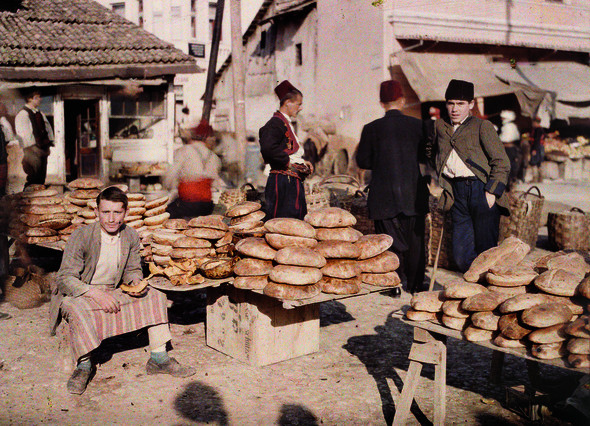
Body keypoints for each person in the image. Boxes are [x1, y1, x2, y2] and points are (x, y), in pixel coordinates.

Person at [51, 186, 195, 395]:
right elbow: (65, 278)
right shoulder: (81, 235)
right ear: (96, 212)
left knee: (155, 296)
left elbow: (132, 269)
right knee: (75, 309)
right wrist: (94, 293)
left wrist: (135, 281)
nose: (111, 218)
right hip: (82, 292)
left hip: (113, 290)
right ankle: (84, 364)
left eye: (117, 212)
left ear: (125, 213)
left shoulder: (130, 235)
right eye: (106, 212)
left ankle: (159, 358)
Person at [425, 79, 510, 273]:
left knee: (486, 252)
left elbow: (501, 162)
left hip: (481, 189)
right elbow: (430, 151)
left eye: (461, 104)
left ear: (471, 105)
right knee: (461, 255)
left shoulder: (482, 126)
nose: (455, 109)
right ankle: (473, 289)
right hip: (456, 193)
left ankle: (486, 297)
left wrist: (491, 193)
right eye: (451, 103)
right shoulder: (439, 126)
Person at [356, 80, 429, 294]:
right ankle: (415, 285)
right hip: (413, 193)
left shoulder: (371, 128)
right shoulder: (418, 126)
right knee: (415, 242)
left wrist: (382, 161)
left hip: (383, 193)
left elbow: (362, 161)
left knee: (388, 241)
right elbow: (426, 156)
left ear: (381, 103)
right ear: (402, 100)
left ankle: (393, 284)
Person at [259, 80, 312, 220]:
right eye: (298, 104)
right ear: (287, 102)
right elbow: (268, 148)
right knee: (283, 222)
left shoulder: (285, 122)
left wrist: (303, 162)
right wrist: (288, 163)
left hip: (290, 181)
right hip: (283, 182)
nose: (300, 108)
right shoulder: (275, 123)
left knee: (296, 222)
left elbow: (288, 150)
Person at [163, 119, 222, 219]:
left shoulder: (184, 151)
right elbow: (215, 183)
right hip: (206, 206)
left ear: (192, 137)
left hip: (187, 204)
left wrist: (168, 187)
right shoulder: (214, 156)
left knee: (165, 214)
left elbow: (170, 176)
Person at [15, 89, 54, 187]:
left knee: (41, 176)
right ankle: (28, 199)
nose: (40, 99)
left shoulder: (39, 113)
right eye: (37, 97)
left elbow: (47, 127)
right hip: (32, 150)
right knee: (34, 177)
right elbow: (24, 134)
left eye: (39, 97)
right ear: (30, 99)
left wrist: (49, 142)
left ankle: (39, 198)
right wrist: (34, 148)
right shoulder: (23, 114)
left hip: (42, 148)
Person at [499, 110, 521, 190]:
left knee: (508, 166)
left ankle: (508, 183)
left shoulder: (509, 127)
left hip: (509, 149)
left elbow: (505, 138)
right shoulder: (508, 126)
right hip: (508, 148)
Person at [529, 116, 546, 183]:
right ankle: (540, 178)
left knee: (533, 163)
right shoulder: (541, 129)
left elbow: (537, 140)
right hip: (540, 147)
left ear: (536, 122)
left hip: (537, 147)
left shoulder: (537, 130)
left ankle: (535, 178)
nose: (532, 124)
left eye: (533, 122)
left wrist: (534, 150)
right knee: (539, 163)